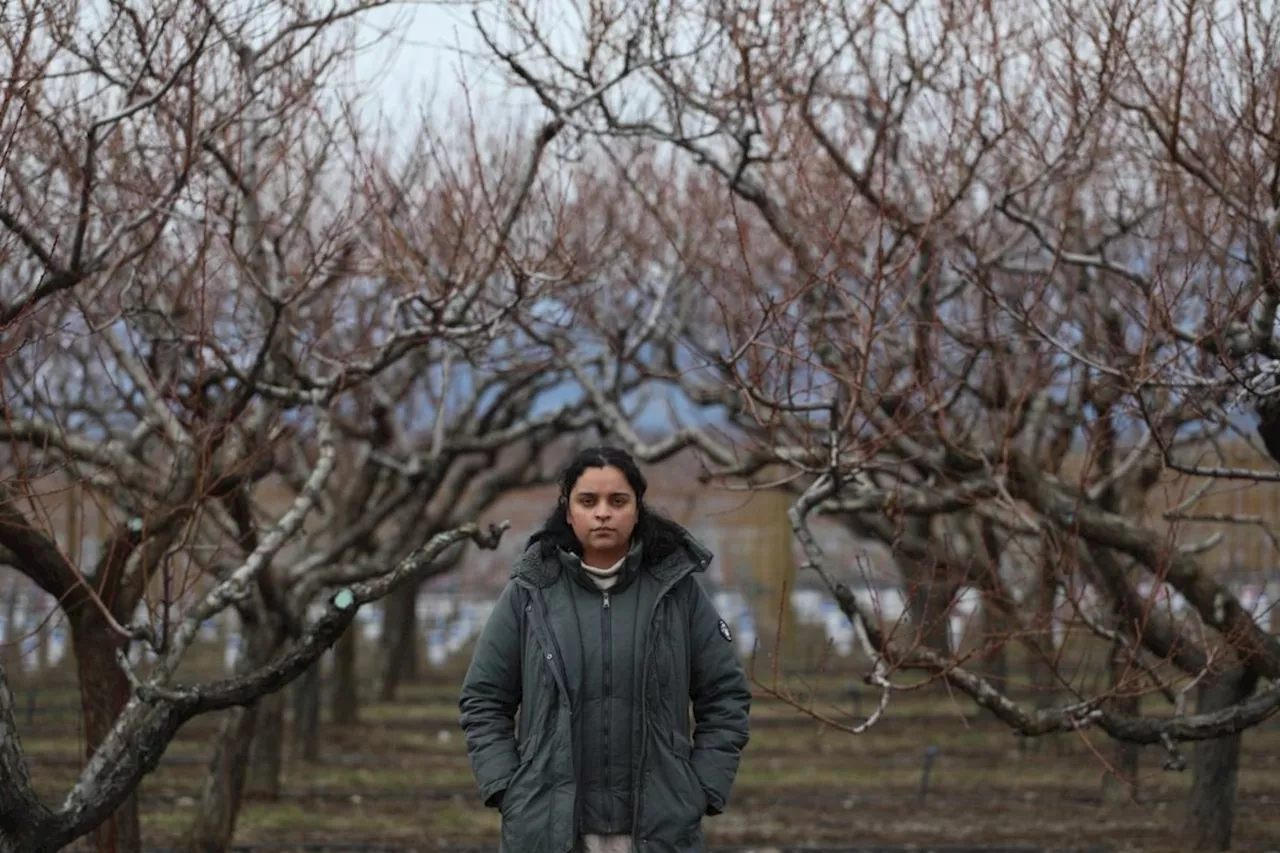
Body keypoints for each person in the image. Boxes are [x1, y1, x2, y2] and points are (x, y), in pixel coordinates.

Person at [458, 445, 752, 853]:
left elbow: (725, 696)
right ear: (568, 511)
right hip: (548, 828)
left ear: (637, 509)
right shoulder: (530, 591)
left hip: (659, 828)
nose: (602, 513)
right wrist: (509, 788)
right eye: (587, 501)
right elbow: (483, 698)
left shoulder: (677, 590)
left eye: (617, 501)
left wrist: (700, 787)